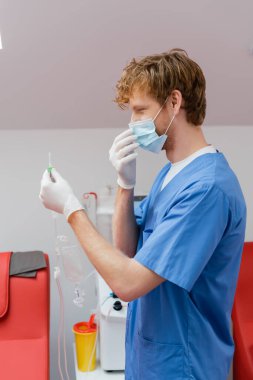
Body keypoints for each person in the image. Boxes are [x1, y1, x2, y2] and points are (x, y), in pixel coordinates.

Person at [39, 48, 247, 380]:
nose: (132, 124)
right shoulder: (172, 174)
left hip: (185, 365)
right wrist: (125, 183)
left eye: (140, 111)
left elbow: (127, 282)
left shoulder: (207, 189)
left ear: (174, 102)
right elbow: (128, 252)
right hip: (150, 358)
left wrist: (71, 209)